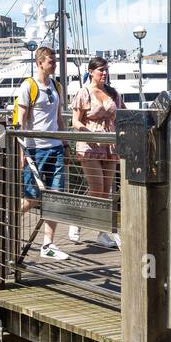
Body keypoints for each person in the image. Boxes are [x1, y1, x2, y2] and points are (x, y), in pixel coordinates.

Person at [14, 46, 69, 261]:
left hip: (55, 147)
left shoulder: (56, 86)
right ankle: (5, 221)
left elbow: (59, 118)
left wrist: (65, 144)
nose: (54, 64)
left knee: (55, 196)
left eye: (54, 61)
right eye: (50, 61)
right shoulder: (29, 86)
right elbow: (21, 120)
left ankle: (48, 244)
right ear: (39, 63)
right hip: (35, 149)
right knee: (32, 198)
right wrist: (23, 151)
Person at [71, 56, 122, 250]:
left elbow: (123, 113)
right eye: (101, 70)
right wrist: (86, 131)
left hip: (110, 145)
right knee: (96, 187)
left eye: (106, 70)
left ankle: (101, 232)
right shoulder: (84, 93)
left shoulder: (113, 93)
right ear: (91, 71)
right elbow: (76, 120)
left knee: (105, 190)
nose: (104, 73)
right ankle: (76, 219)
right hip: (90, 145)